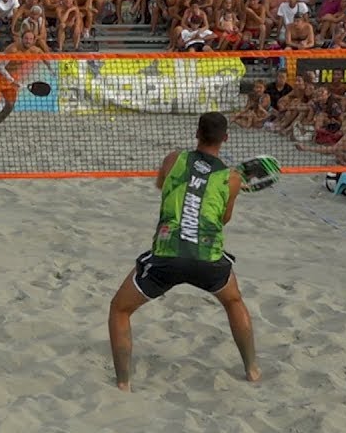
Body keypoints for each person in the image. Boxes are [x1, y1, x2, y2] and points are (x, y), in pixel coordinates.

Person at [107, 112, 260, 392]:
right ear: (225, 138)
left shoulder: (173, 159)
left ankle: (123, 383)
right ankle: (251, 369)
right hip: (208, 260)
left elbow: (161, 188)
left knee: (119, 309)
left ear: (196, 133)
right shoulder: (232, 178)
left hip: (168, 256)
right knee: (234, 302)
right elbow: (223, 220)